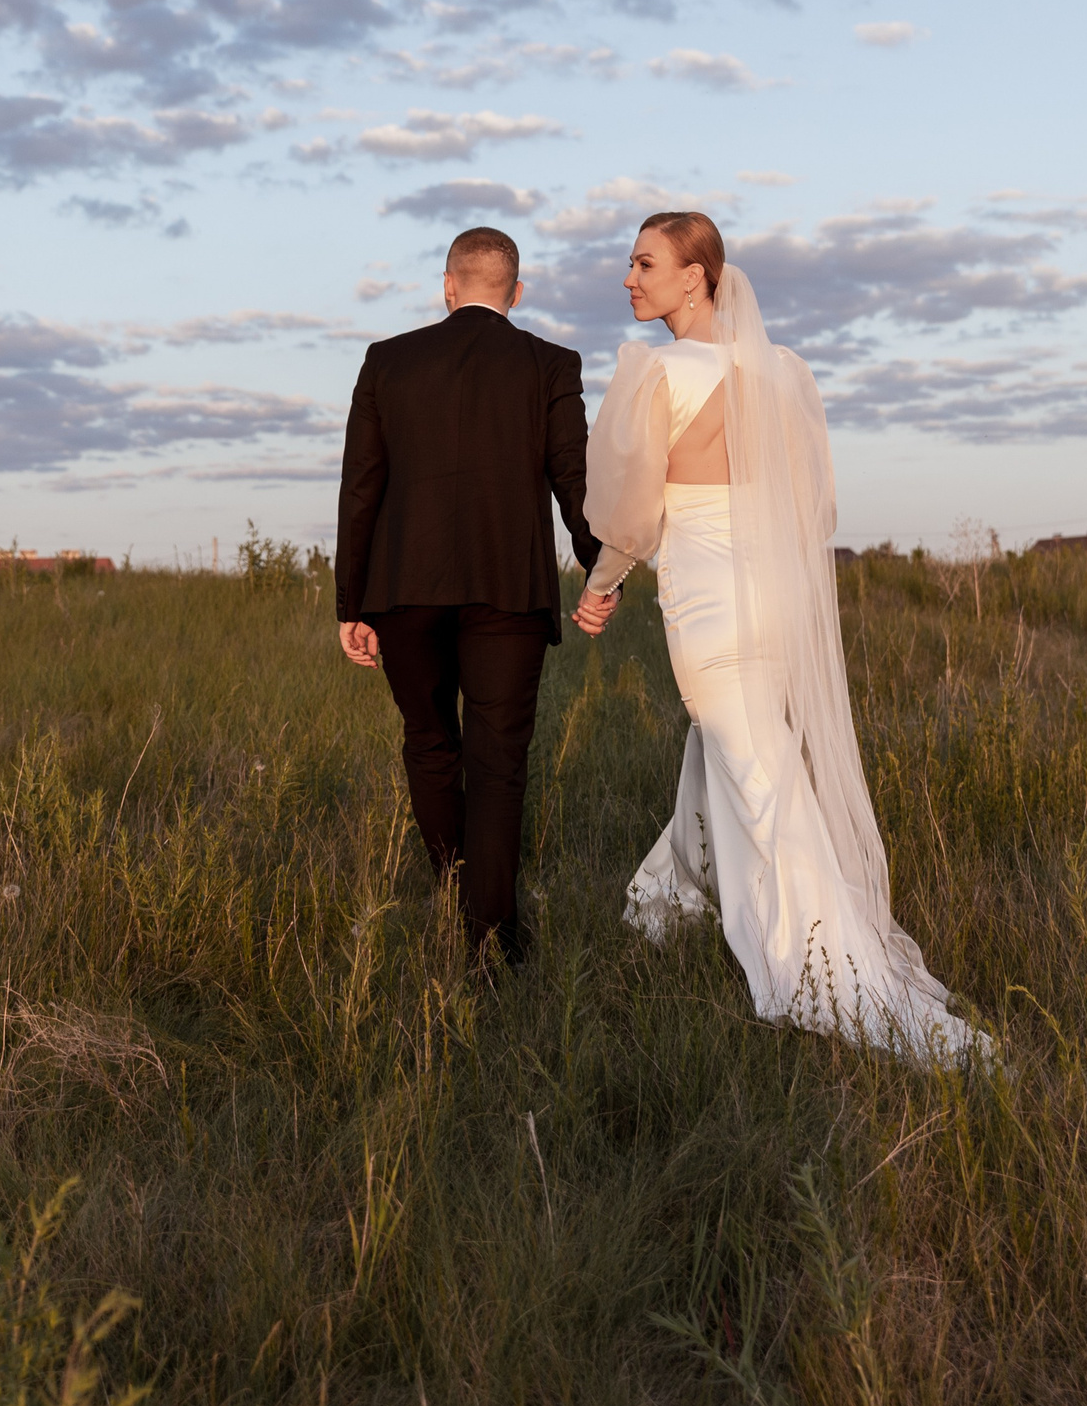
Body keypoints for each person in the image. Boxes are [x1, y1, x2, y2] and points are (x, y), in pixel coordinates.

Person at [573, 213, 988, 1061]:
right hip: (773, 603)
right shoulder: (786, 373)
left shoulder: (657, 372)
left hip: (710, 612)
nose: (629, 279)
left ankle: (837, 974)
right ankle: (674, 896)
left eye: (644, 263)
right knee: (730, 750)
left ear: (694, 277)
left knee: (764, 787)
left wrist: (598, 587)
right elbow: (813, 507)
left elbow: (630, 511)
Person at [336, 226, 604, 967]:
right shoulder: (550, 363)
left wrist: (351, 603)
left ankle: (459, 899)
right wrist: (601, 566)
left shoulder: (386, 361)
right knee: (498, 762)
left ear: (448, 287)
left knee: (429, 741)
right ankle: (494, 939)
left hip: (402, 589)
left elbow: (361, 487)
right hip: (507, 590)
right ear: (515, 293)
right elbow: (573, 481)